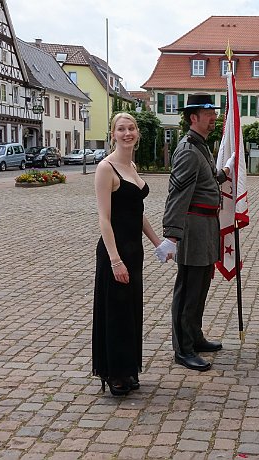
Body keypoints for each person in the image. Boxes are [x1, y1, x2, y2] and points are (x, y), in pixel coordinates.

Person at [92, 112, 166, 396]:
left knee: (131, 311)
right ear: (113, 134)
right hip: (115, 251)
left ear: (137, 133)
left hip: (135, 252)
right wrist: (115, 260)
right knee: (115, 314)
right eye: (121, 129)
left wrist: (157, 243)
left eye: (131, 128)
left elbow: (138, 213)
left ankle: (128, 368)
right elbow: (104, 218)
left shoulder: (132, 166)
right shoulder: (105, 168)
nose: (127, 133)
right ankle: (115, 374)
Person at [158, 94, 232, 372]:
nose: (213, 117)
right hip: (192, 229)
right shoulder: (189, 150)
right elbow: (177, 195)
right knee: (188, 290)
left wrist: (224, 173)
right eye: (208, 113)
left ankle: (195, 336)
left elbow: (206, 180)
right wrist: (171, 236)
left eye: (213, 112)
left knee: (200, 288)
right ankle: (183, 349)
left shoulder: (200, 146)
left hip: (206, 228)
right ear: (193, 117)